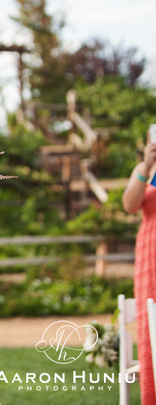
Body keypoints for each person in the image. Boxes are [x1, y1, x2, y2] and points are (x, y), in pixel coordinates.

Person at [122, 127, 156, 405]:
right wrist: (146, 165)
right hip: (151, 255)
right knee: (151, 320)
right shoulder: (144, 169)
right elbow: (130, 204)